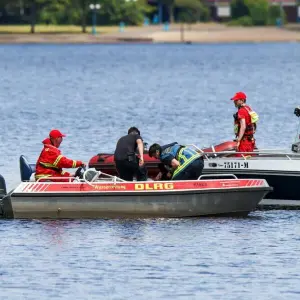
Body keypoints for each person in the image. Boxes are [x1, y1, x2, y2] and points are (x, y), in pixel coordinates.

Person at [231, 91, 258, 157]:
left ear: (242, 100)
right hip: (251, 141)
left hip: (244, 142)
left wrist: (238, 140)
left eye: (236, 100)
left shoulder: (241, 111)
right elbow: (254, 124)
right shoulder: (248, 109)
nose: (234, 102)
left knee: (240, 159)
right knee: (250, 159)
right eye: (234, 100)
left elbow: (243, 126)